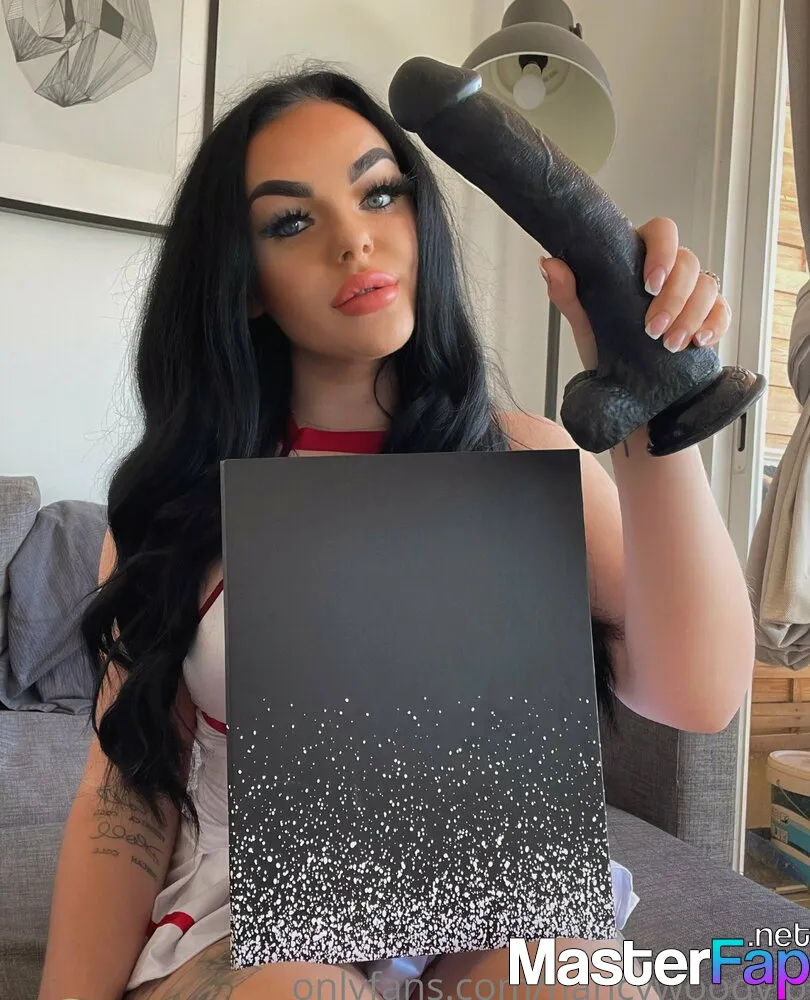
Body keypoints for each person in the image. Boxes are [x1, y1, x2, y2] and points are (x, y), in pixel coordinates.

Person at [38, 67, 755, 1000]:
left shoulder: (520, 460)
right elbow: (127, 789)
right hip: (250, 925)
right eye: (290, 222)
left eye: (379, 193)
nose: (355, 239)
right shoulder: (180, 509)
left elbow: (698, 696)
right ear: (243, 282)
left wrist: (654, 407)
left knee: (576, 980)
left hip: (492, 912)